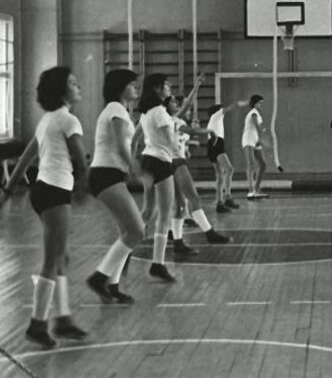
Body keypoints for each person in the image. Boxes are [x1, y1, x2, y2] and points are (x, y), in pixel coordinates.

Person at [0, 66, 89, 348]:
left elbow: (25, 159)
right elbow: (81, 160)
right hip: (55, 192)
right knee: (53, 260)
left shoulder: (46, 120)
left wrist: (5, 195)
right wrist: (84, 186)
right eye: (73, 84)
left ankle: (62, 320)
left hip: (41, 192)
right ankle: (38, 325)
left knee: (62, 257)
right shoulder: (69, 120)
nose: (78, 87)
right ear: (62, 92)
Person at [86, 69, 145, 304]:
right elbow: (121, 146)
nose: (136, 88)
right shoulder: (116, 110)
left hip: (110, 175)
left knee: (127, 232)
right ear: (120, 88)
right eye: (131, 85)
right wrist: (136, 170)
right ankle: (99, 278)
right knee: (137, 231)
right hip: (106, 175)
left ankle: (112, 286)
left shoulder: (119, 110)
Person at [164, 94, 232, 248]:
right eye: (185, 107)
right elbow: (190, 131)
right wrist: (209, 131)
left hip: (172, 161)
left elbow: (181, 138)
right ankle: (209, 233)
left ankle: (177, 240)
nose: (188, 111)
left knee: (180, 204)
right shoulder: (174, 120)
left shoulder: (175, 121)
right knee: (194, 198)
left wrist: (186, 148)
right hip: (175, 162)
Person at [134, 73, 178, 282]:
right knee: (165, 214)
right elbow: (169, 141)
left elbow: (134, 140)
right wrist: (179, 153)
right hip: (161, 161)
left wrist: (133, 164)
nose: (169, 87)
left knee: (147, 211)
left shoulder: (145, 113)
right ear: (157, 88)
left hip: (147, 160)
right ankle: (157, 264)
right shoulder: (160, 111)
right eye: (166, 85)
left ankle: (124, 250)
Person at [205, 99, 248, 211]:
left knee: (220, 176)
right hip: (216, 144)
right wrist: (246, 102)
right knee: (229, 169)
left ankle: (219, 203)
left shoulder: (213, 121)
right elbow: (234, 105)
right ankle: (227, 197)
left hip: (212, 145)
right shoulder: (216, 115)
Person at [242, 94, 269, 199]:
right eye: (259, 103)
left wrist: (260, 139)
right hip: (249, 140)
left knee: (263, 165)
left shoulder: (258, 114)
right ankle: (250, 190)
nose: (261, 105)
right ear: (254, 103)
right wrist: (261, 138)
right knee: (251, 164)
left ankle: (256, 189)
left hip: (255, 140)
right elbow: (255, 123)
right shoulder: (253, 112)